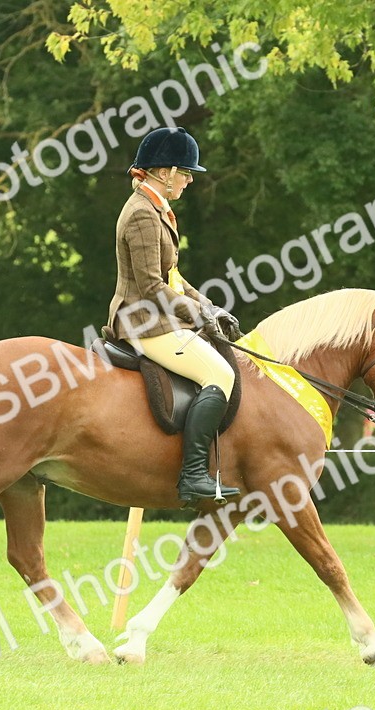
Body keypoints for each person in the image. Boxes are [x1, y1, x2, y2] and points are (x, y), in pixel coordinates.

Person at [108, 126, 242, 505]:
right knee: (220, 373)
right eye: (185, 173)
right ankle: (194, 475)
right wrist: (198, 315)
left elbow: (174, 279)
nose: (188, 181)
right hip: (144, 320)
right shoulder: (142, 215)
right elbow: (152, 287)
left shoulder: (155, 209)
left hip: (156, 315)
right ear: (163, 172)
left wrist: (209, 307)